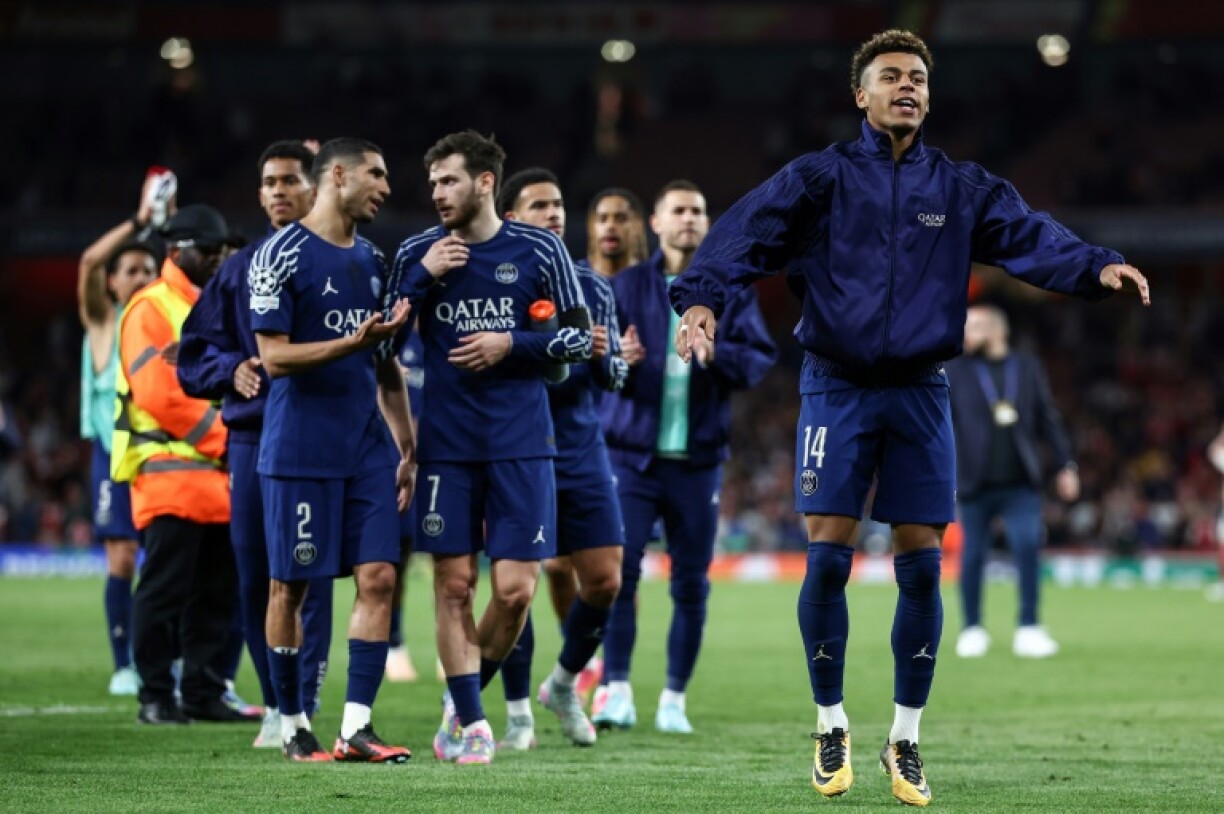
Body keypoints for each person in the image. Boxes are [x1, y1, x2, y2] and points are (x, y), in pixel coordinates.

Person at [668, 28, 1150, 807]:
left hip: (923, 388)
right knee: (829, 552)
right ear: (860, 94)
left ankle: (906, 738)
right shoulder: (819, 178)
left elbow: (1029, 234)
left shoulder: (959, 188)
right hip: (836, 384)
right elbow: (741, 236)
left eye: (918, 78)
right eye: (890, 76)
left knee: (923, 559)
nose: (907, 87)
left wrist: (1095, 264)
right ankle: (830, 723)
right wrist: (697, 302)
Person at [392, 131, 593, 765]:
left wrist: (513, 345)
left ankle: (459, 701)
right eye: (432, 185)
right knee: (453, 587)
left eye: (448, 181)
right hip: (445, 449)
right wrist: (420, 281)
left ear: (484, 183)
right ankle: (476, 723)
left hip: (522, 443)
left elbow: (581, 339)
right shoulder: (416, 253)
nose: (436, 194)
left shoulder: (540, 249)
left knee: (514, 592)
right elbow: (381, 344)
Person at [249, 137, 414, 763]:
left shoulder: (375, 259)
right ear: (337, 175)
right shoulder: (278, 255)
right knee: (291, 589)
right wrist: (353, 342)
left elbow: (385, 360)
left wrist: (407, 443)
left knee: (379, 577)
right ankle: (292, 724)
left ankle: (356, 729)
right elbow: (273, 357)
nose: (386, 186)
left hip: (367, 447)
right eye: (376, 173)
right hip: (300, 449)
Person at [595, 180, 776, 734]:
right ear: (655, 222)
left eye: (699, 210)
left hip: (696, 462)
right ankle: (617, 689)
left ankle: (674, 699)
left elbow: (756, 361)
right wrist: (615, 359)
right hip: (630, 458)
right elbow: (590, 360)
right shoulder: (623, 286)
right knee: (619, 576)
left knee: (691, 582)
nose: (690, 219)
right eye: (678, 210)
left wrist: (715, 353)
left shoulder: (731, 291)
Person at [177, 140, 335, 748]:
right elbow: (195, 354)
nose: (276, 192)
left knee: (309, 572)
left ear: (314, 188)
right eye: (268, 182)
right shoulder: (239, 270)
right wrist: (230, 371)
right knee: (254, 572)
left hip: (317, 437)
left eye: (289, 180)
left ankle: (304, 697)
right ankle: (276, 703)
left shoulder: (341, 262)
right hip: (251, 436)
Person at [494, 167, 629, 749]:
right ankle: (518, 711)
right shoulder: (495, 284)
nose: (554, 214)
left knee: (604, 580)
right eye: (539, 205)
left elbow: (619, 373)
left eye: (558, 204)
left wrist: (601, 357)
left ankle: (564, 683)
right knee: (515, 587)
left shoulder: (592, 286)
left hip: (580, 447)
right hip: (519, 448)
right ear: (511, 217)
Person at [115, 204, 258, 725]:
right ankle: (154, 694)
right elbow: (156, 393)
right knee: (165, 590)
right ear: (181, 250)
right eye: (213, 251)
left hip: (216, 480)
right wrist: (225, 437)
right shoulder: (150, 306)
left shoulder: (206, 304)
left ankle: (202, 690)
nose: (221, 260)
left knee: (215, 594)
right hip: (170, 475)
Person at [947, 304, 1079, 659]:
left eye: (973, 325)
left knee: (1026, 548)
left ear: (995, 330)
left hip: (1021, 481)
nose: (966, 332)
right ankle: (972, 628)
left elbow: (1047, 418)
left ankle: (1029, 626)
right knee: (972, 554)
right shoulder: (955, 370)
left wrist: (1066, 464)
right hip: (973, 481)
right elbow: (940, 425)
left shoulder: (1027, 366)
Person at [76, 174, 163, 696]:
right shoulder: (104, 324)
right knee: (124, 559)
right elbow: (87, 262)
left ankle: (162, 659)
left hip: (160, 456)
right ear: (113, 282)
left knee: (167, 562)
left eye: (148, 268)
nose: (139, 275)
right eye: (130, 269)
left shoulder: (164, 323)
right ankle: (123, 664)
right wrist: (141, 223)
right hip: (114, 454)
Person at [385, 326, 425, 683]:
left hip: (447, 458)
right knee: (397, 553)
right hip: (401, 462)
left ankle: (453, 647)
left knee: (456, 560)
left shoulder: (447, 330)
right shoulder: (397, 338)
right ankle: (393, 643)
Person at [586, 188, 648, 279]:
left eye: (620, 219)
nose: (610, 226)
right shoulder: (572, 276)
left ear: (637, 226)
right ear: (592, 227)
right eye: (602, 219)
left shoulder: (653, 279)